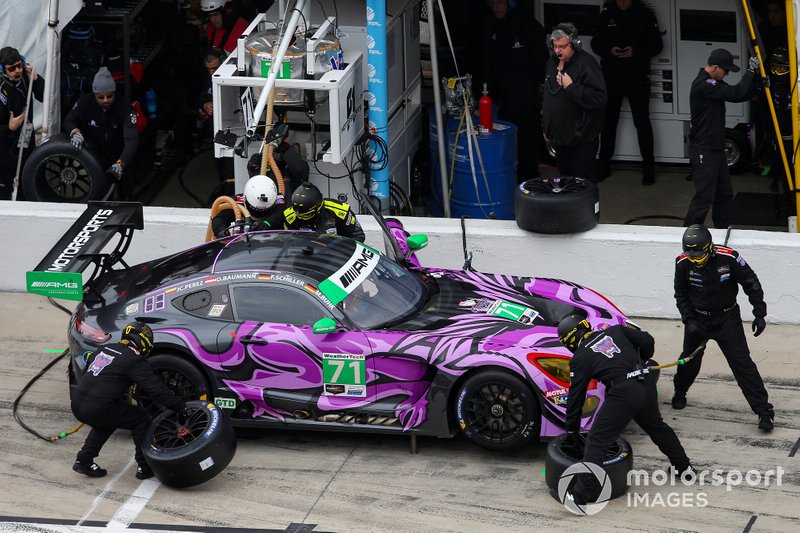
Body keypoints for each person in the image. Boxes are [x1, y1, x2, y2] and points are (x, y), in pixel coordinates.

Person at [557, 314, 692, 505]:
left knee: (596, 440)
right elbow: (647, 339)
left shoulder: (580, 358)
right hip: (645, 383)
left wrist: (572, 430)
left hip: (623, 393)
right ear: (585, 326)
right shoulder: (616, 331)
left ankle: (579, 496)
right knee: (658, 428)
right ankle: (684, 469)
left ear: (568, 341)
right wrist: (642, 359)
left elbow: (575, 399)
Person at [672, 225, 773, 431]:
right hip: (698, 320)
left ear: (709, 248)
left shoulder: (730, 258)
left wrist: (760, 313)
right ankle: (680, 392)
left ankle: (764, 411)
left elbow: (752, 283)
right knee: (688, 360)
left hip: (727, 319)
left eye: (698, 255)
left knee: (742, 364)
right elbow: (680, 293)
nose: (694, 259)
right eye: (690, 254)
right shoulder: (682, 263)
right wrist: (688, 320)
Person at [71, 322, 188, 479]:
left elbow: (91, 374)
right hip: (98, 407)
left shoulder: (104, 348)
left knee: (106, 421)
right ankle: (144, 466)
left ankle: (84, 460)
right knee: (140, 419)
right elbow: (157, 390)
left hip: (77, 402)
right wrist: (181, 406)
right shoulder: (134, 360)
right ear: (144, 342)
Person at [683, 49, 759, 229]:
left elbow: (739, 94)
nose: (726, 75)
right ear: (715, 68)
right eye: (726, 71)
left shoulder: (713, 83)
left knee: (724, 194)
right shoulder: (704, 84)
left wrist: (757, 84)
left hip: (716, 149)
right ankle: (689, 236)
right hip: (703, 150)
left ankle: (721, 231)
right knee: (704, 197)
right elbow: (736, 93)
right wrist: (750, 71)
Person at [591, 0, 663, 185]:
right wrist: (609, 50)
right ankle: (604, 166)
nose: (622, 1)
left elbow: (657, 45)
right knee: (608, 122)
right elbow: (595, 43)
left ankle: (648, 169)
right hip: (611, 76)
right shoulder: (606, 15)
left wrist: (635, 51)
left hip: (637, 75)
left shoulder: (644, 15)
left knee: (642, 121)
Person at [481, 0, 548, 181]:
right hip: (501, 100)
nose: (496, 6)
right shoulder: (490, 26)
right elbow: (486, 64)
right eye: (493, 2)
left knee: (526, 141)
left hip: (525, 97)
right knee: (503, 142)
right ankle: (507, 179)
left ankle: (529, 180)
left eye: (500, 2)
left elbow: (541, 61)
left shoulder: (528, 26)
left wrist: (537, 89)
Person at [541, 23, 607, 180]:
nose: (558, 50)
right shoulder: (552, 63)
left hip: (581, 140)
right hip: (560, 137)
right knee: (565, 183)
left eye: (562, 46)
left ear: (575, 44)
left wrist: (571, 87)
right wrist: (547, 126)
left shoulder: (587, 64)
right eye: (555, 46)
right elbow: (549, 96)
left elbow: (600, 98)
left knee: (582, 185)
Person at [64, 66, 139, 199]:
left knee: (125, 195)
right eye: (100, 97)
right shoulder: (84, 103)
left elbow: (132, 139)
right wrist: (75, 132)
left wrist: (121, 163)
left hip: (120, 156)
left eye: (109, 96)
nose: (105, 100)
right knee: (99, 194)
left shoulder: (125, 107)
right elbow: (69, 121)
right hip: (96, 157)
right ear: (94, 95)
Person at [0, 47, 44, 200]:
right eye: (12, 69)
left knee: (28, 176)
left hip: (26, 135)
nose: (17, 71)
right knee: (8, 183)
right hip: (6, 145)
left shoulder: (25, 75)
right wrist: (9, 128)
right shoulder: (1, 87)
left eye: (20, 65)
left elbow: (44, 96)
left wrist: (36, 79)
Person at [282, 182, 365, 242]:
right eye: (300, 216)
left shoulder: (340, 211)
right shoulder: (289, 217)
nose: (303, 219)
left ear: (319, 208)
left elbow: (358, 237)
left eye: (308, 215)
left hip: (336, 255)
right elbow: (288, 242)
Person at [211, 174, 285, 237]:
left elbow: (279, 214)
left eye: (264, 210)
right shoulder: (237, 202)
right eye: (256, 210)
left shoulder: (278, 198)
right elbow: (220, 218)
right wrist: (221, 231)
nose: (259, 213)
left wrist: (267, 223)